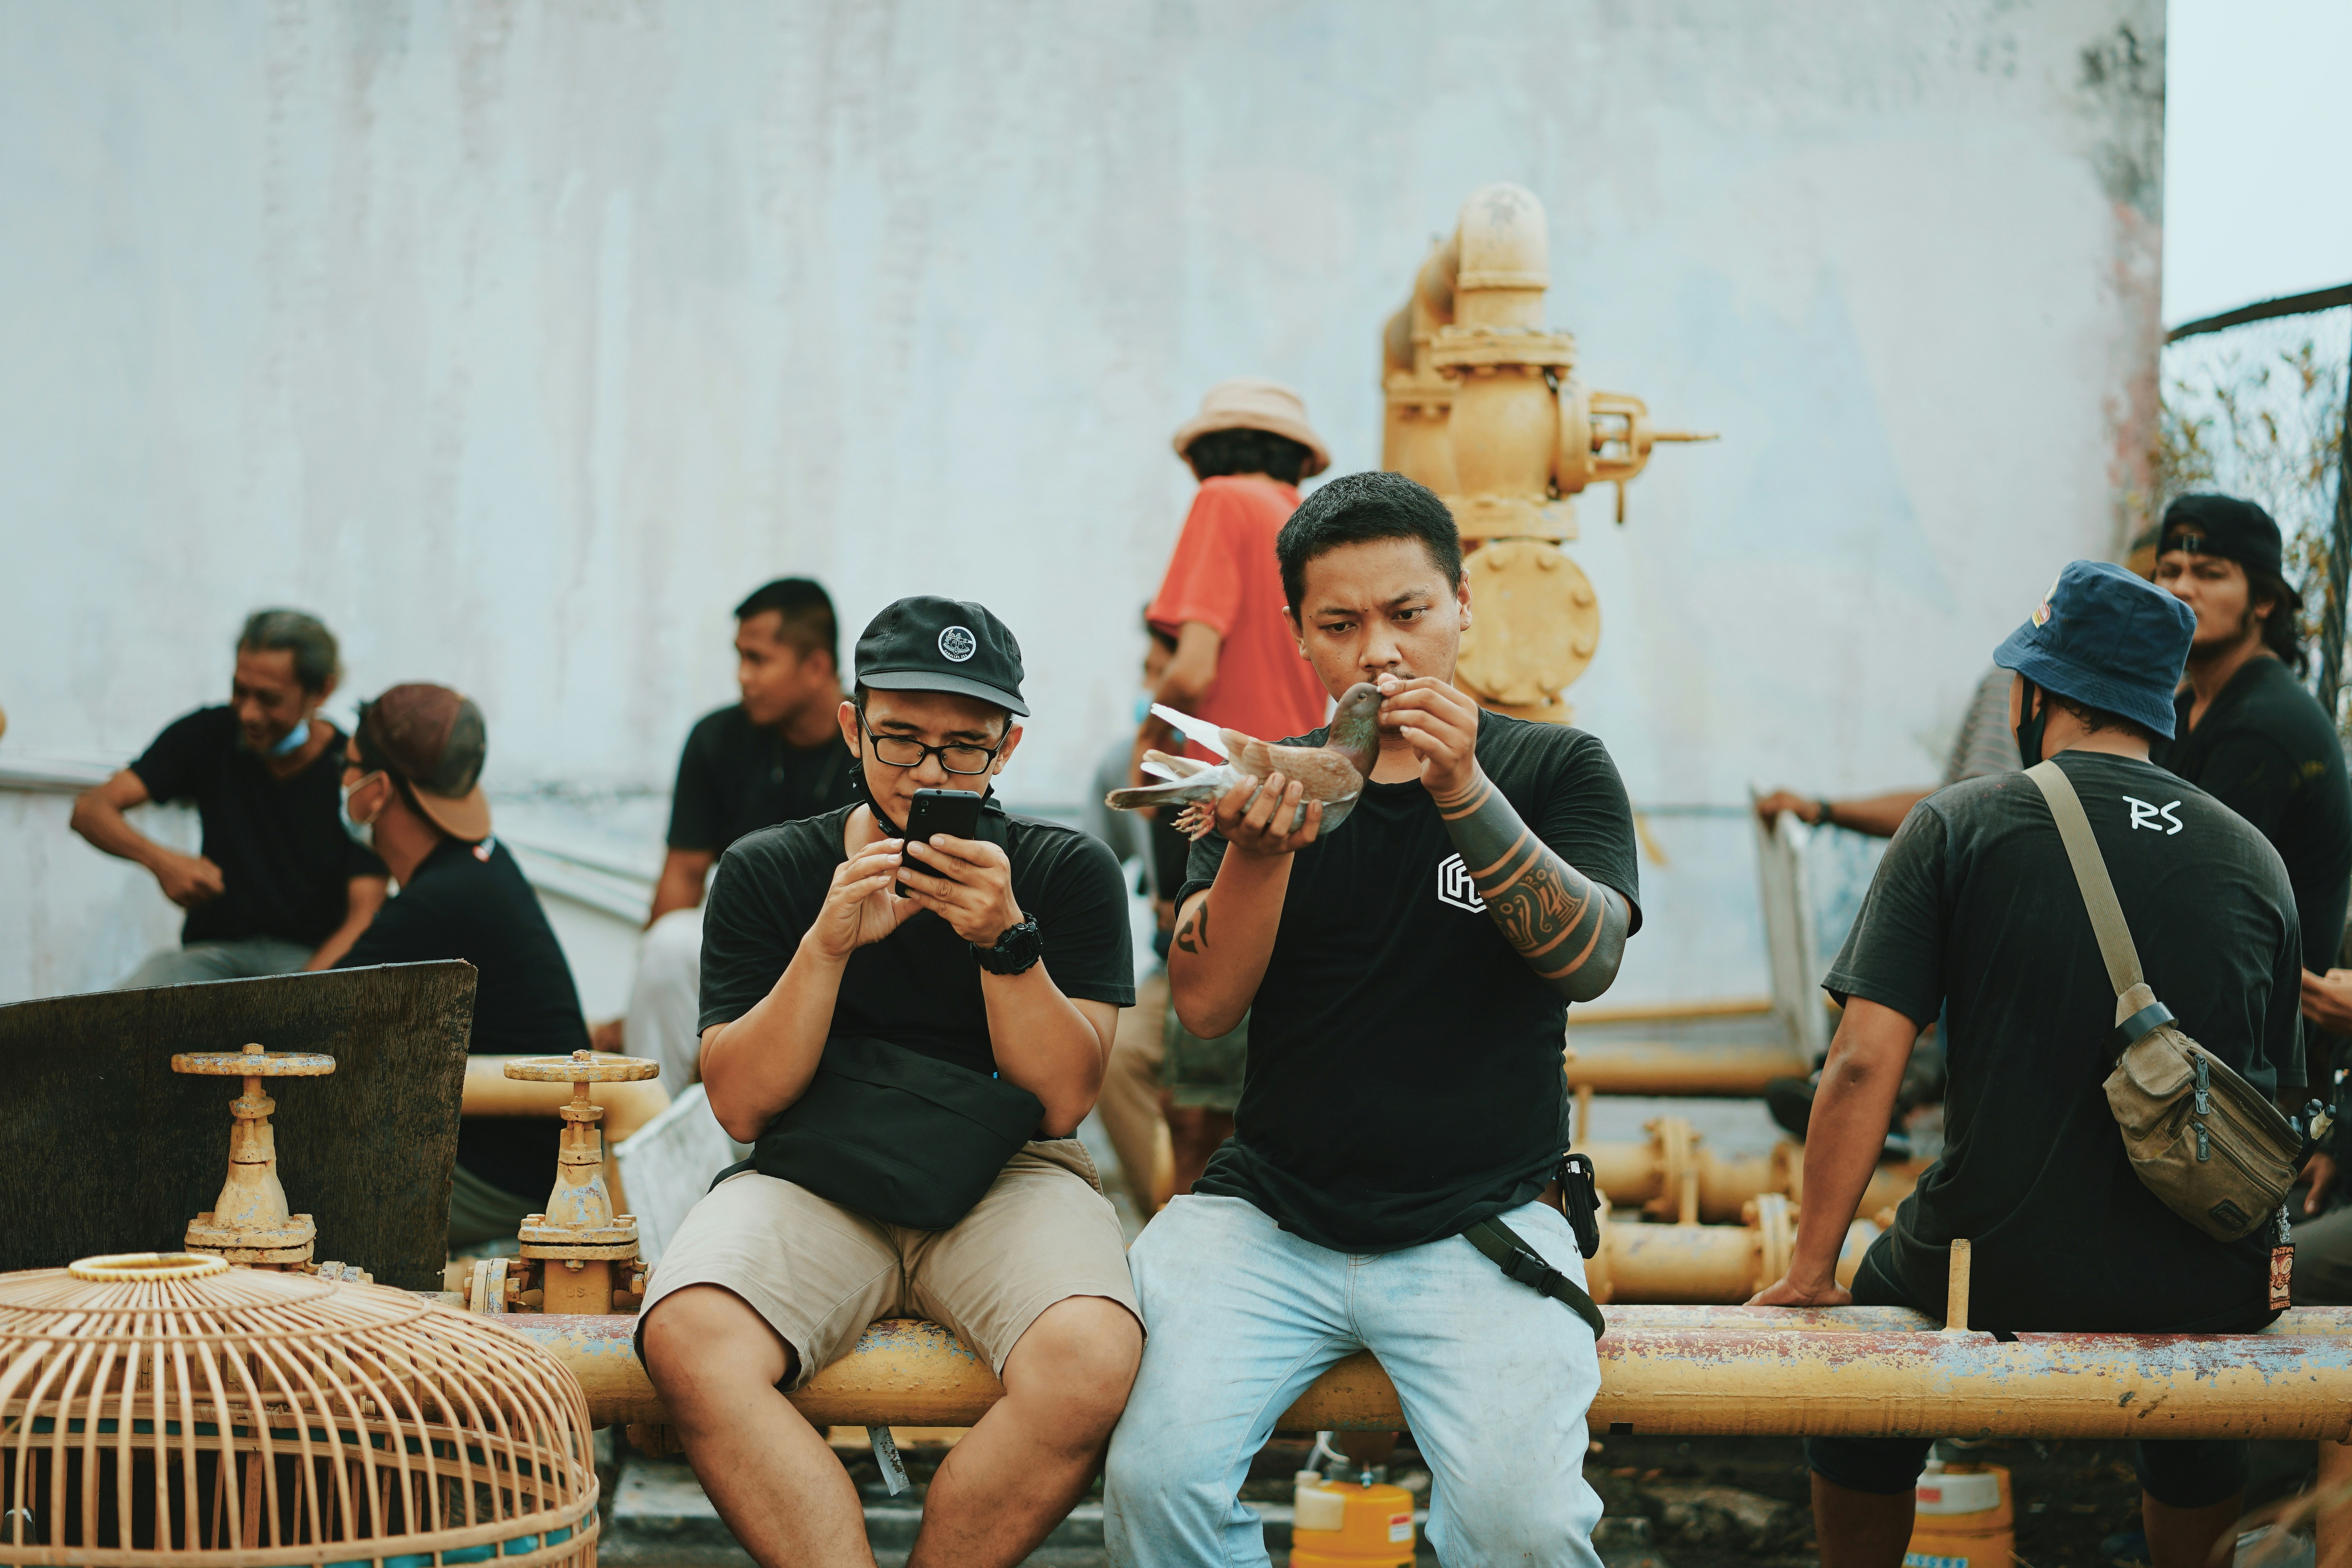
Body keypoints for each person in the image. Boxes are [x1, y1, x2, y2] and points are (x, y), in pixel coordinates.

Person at [1103, 471, 1642, 1568]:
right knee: (1153, 1484)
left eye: (1409, 614)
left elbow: (1586, 961)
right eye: (1341, 625)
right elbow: (1204, 1004)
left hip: (1486, 1220)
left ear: (1463, 607)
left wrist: (1462, 788)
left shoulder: (1554, 766)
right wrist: (1258, 846)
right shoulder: (1261, 775)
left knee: (1525, 1531)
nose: (1380, 653)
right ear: (1300, 637)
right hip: (1271, 1217)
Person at [1751, 561, 2307, 1568]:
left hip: (1993, 1268)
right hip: (2207, 1280)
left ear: (2034, 694)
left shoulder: (1959, 823)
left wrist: (1809, 1268)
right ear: (2161, 706)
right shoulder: (2253, 858)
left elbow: (1864, 1064)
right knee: (2197, 1418)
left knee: (1861, 1383)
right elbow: (2276, 1095)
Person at [637, 597, 1142, 1568]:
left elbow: (1065, 1098)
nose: (928, 772)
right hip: (817, 1169)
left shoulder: (1064, 870)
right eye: (900, 739)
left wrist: (1006, 941)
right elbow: (740, 1105)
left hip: (1012, 1168)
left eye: (965, 748)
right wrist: (826, 946)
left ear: (1009, 746)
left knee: (1091, 1358)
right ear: (850, 725)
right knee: (691, 1335)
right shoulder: (768, 868)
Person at [333, 684, 593, 1247]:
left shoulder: (436, 904)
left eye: (347, 767)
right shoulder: (483, 864)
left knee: (297, 1207)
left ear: (375, 792)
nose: (340, 781)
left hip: (504, 1182)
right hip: (532, 1161)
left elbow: (308, 1020)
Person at [599, 579, 858, 1089]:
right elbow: (684, 874)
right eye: (740, 657)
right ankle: (650, 1147)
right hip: (743, 942)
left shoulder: (876, 744)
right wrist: (647, 996)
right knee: (670, 946)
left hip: (851, 950)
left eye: (759, 660)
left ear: (817, 668)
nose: (744, 678)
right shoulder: (717, 740)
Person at [2150, 494, 2352, 1098]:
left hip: (2249, 1068)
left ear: (2263, 600)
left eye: (2210, 575)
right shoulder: (2183, 707)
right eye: (2170, 571)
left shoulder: (2264, 726)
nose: (2183, 588)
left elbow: (2183, 903)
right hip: (2197, 1029)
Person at [73, 610, 388, 987]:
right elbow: (91, 809)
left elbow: (363, 917)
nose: (250, 713)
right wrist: (162, 862)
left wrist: (299, 997)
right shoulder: (210, 734)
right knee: (116, 1021)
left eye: (269, 699)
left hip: (309, 964)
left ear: (321, 692)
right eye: (240, 692)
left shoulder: (352, 774)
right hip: (213, 960)